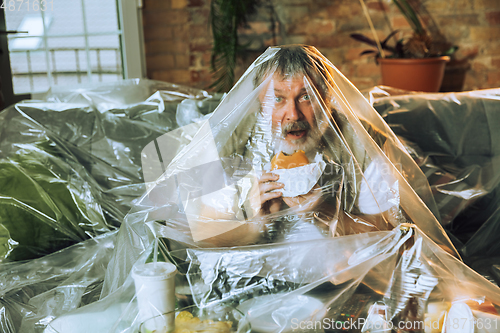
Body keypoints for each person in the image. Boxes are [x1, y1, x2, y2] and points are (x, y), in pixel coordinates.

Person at [195, 45, 398, 247]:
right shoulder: (230, 141)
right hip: (257, 274)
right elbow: (205, 235)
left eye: (306, 96)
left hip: (337, 275)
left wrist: (323, 213)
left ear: (328, 98)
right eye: (277, 99)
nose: (293, 114)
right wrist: (255, 222)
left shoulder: (363, 143)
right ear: (260, 100)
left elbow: (386, 235)